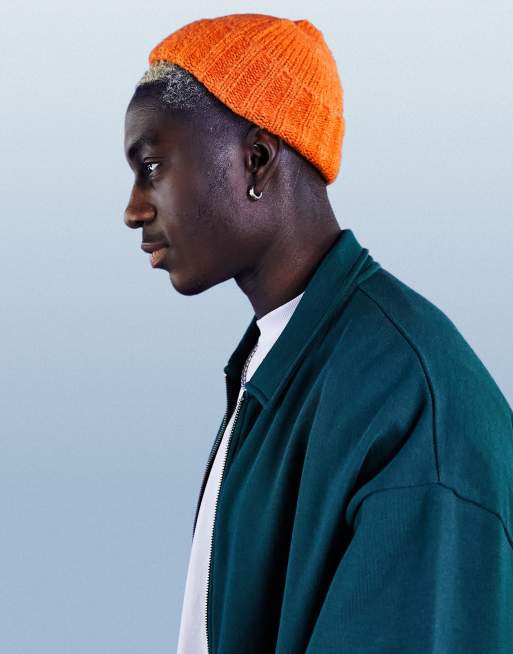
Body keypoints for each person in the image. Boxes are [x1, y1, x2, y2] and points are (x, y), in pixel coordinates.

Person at [123, 13, 513, 654]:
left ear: (255, 161)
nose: (134, 208)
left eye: (153, 166)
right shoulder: (280, 359)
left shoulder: (408, 402)